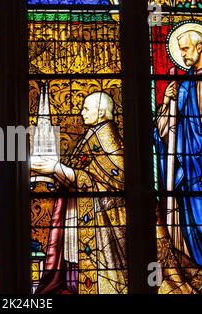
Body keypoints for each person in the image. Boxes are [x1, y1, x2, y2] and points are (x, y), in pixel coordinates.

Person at [155, 29, 202, 290]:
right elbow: (165, 133)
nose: (182, 55)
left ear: (200, 48)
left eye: (185, 49)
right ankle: (198, 282)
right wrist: (167, 102)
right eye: (180, 50)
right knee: (188, 228)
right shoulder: (183, 84)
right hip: (186, 173)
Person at [31, 92, 127, 294]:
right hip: (80, 208)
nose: (81, 112)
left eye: (86, 108)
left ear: (100, 112)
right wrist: (57, 171)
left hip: (100, 218)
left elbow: (118, 181)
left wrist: (56, 169)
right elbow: (84, 174)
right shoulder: (93, 135)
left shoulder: (106, 137)